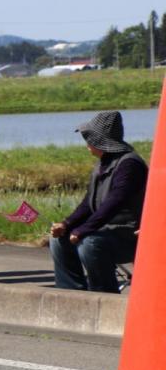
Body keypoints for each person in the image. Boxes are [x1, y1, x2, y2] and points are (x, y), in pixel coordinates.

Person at [50, 111, 146, 293]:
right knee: (58, 239)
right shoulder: (103, 162)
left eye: (89, 138)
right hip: (105, 230)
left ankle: (103, 294)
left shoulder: (129, 165)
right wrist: (67, 224)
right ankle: (70, 293)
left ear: (100, 141)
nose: (86, 142)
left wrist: (84, 229)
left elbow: (114, 202)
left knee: (90, 243)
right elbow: (89, 202)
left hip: (127, 235)